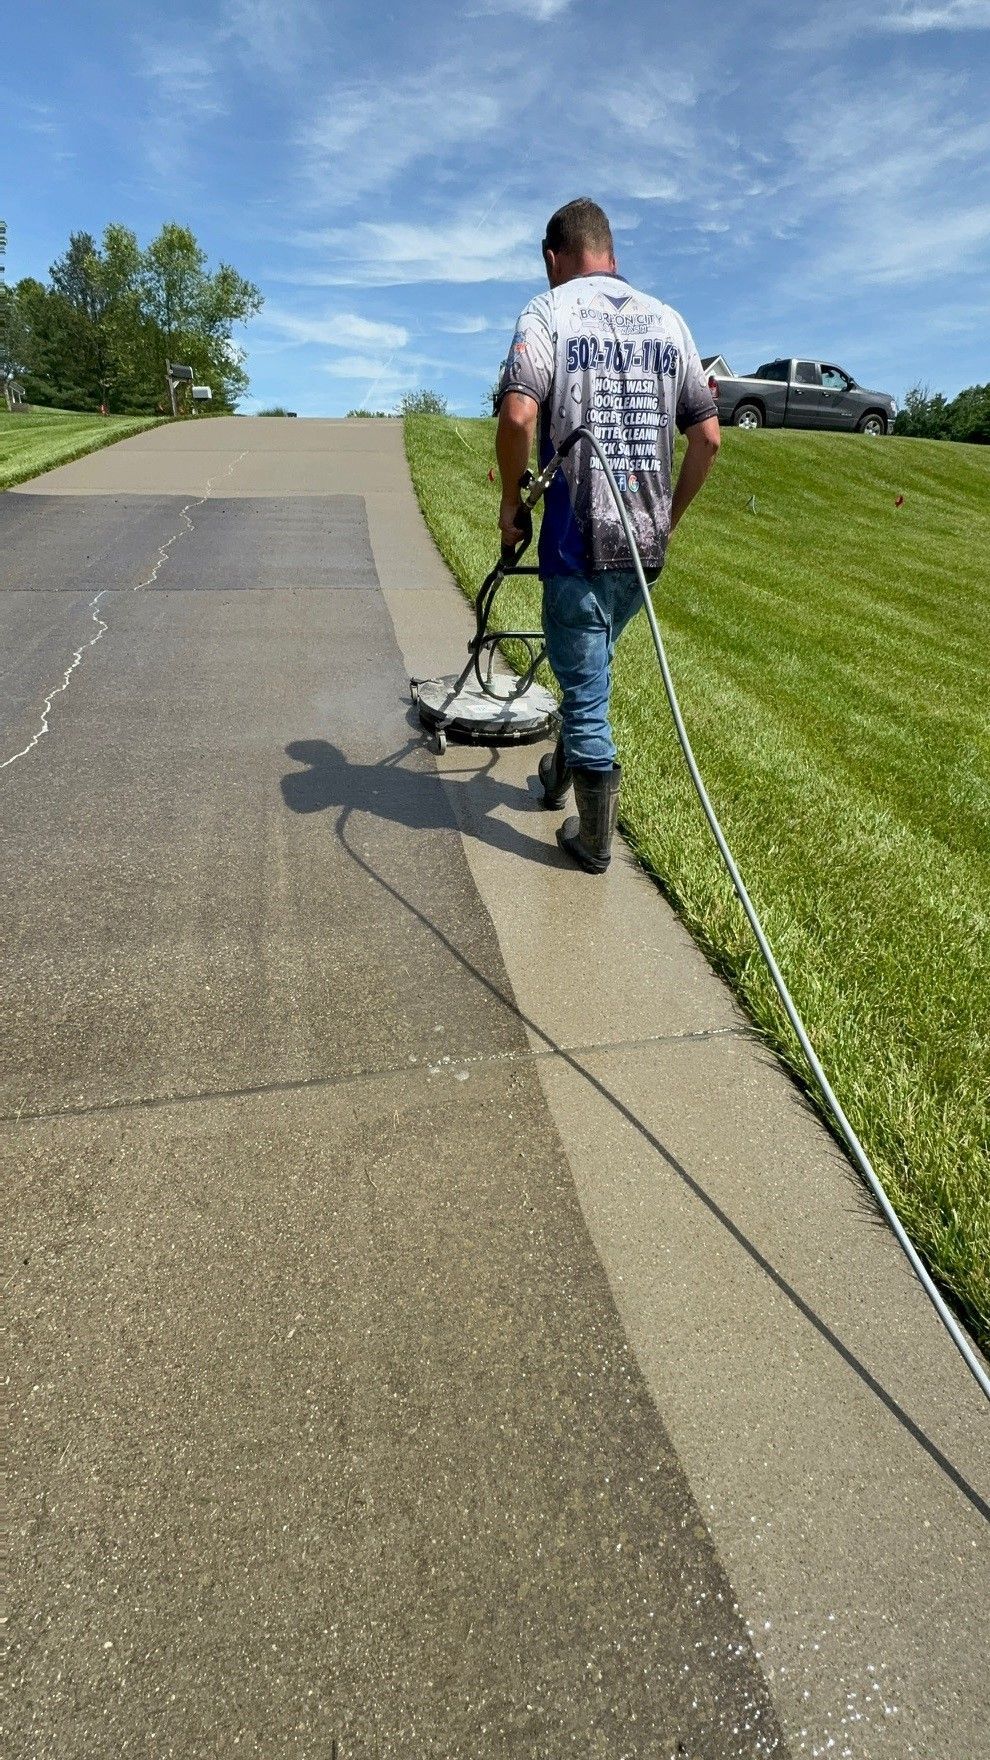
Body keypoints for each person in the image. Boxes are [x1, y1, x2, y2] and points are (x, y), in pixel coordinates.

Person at [495, 198, 720, 873]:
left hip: (575, 544)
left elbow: (516, 416)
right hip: (644, 552)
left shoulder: (548, 312)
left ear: (552, 256)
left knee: (589, 696)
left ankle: (592, 844)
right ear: (611, 253)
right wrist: (669, 521)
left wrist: (512, 504)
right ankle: (558, 775)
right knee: (589, 671)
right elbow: (707, 437)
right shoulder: (669, 320)